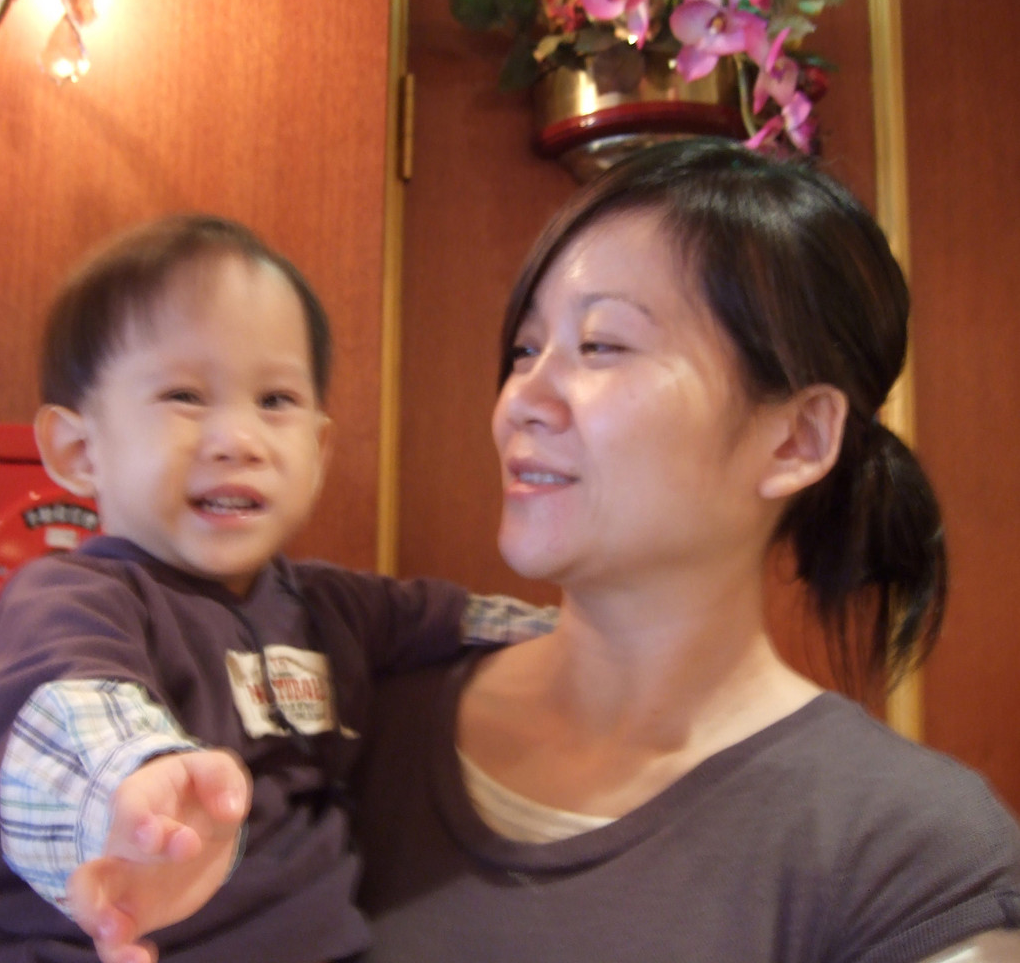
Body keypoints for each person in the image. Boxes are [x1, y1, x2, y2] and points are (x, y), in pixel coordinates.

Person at [351, 139, 1020, 962]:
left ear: (795, 439)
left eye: (601, 345)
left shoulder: (914, 858)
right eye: (525, 349)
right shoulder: (355, 723)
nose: (521, 398)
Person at [0, 214, 552, 963]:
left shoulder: (332, 608)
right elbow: (53, 709)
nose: (238, 440)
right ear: (79, 449)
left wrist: (592, 634)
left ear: (318, 449)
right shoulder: (75, 597)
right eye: (185, 396)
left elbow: (467, 621)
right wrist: (132, 788)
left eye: (275, 401)